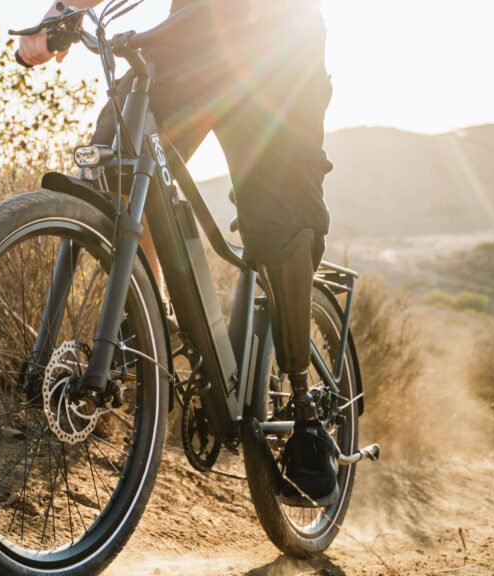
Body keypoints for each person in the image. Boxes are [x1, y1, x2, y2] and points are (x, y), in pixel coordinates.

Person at [19, 0, 338, 506]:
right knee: (117, 162)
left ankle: (305, 410)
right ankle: (157, 325)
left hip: (278, 45)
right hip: (195, 36)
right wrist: (63, 13)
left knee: (280, 221)